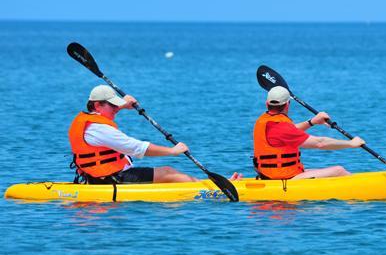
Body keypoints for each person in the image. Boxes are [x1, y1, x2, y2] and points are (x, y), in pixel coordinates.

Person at [69, 85, 241, 184]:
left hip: (103, 175)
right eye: (113, 106)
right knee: (167, 172)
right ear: (97, 105)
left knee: (168, 172)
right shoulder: (99, 129)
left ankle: (214, 183)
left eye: (116, 105)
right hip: (111, 178)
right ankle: (214, 186)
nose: (116, 109)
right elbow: (136, 148)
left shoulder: (89, 120)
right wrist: (173, 151)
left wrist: (124, 105)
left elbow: (108, 112)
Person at [253, 86, 365, 180]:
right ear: (287, 105)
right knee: (339, 171)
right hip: (283, 178)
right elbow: (320, 143)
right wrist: (351, 143)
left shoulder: (265, 121)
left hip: (268, 175)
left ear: (267, 104)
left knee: (320, 172)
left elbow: (290, 132)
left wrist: (312, 122)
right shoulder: (281, 126)